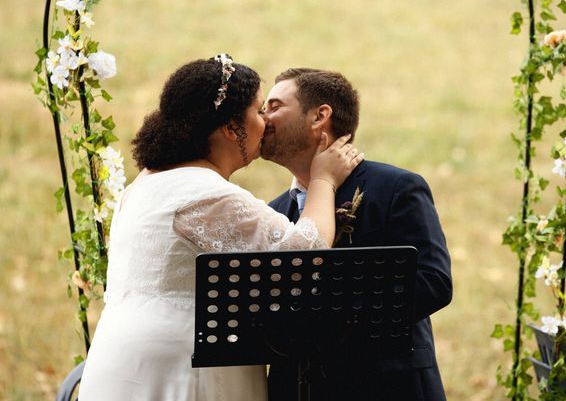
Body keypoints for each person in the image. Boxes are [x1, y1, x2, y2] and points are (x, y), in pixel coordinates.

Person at [78, 56, 363, 401]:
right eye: (259, 111)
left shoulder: (144, 185)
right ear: (231, 128)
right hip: (183, 364)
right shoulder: (204, 192)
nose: (266, 121)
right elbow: (305, 252)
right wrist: (323, 179)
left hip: (120, 358)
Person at [262, 68, 453, 401]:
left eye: (274, 106)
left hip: (387, 387)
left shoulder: (395, 188)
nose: (263, 119)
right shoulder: (275, 212)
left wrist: (332, 314)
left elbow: (433, 282)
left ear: (320, 116)